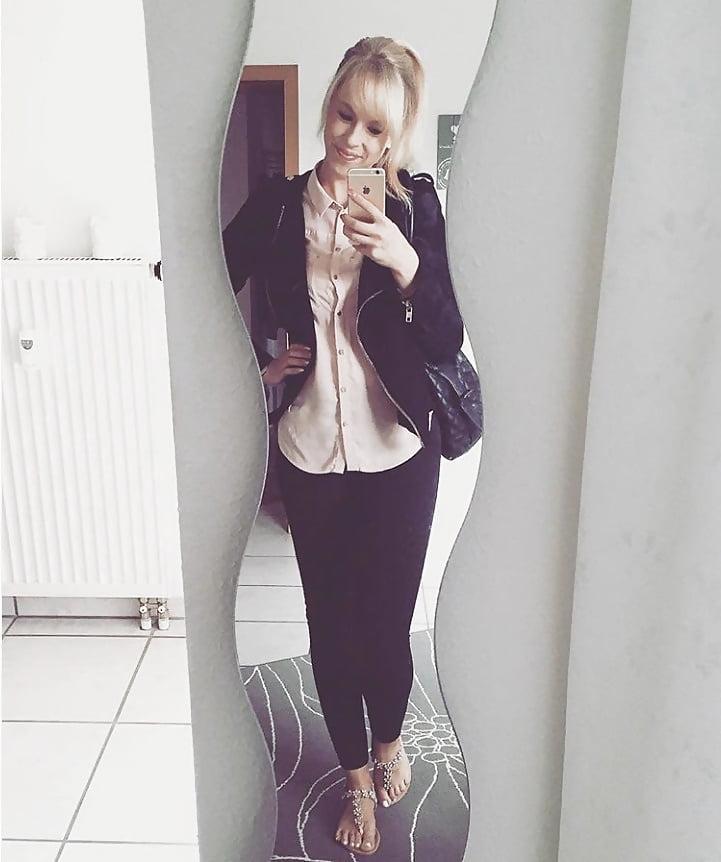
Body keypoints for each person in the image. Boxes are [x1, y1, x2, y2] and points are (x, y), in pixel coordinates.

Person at [223, 35, 464, 856]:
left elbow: (444, 336)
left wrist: (403, 263)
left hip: (399, 450)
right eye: (342, 115)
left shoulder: (413, 208)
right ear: (326, 106)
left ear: (394, 139)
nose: (352, 141)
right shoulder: (276, 206)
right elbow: (202, 288)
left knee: (386, 627)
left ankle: (390, 740)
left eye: (374, 129)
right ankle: (358, 780)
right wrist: (254, 369)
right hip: (309, 449)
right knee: (329, 624)